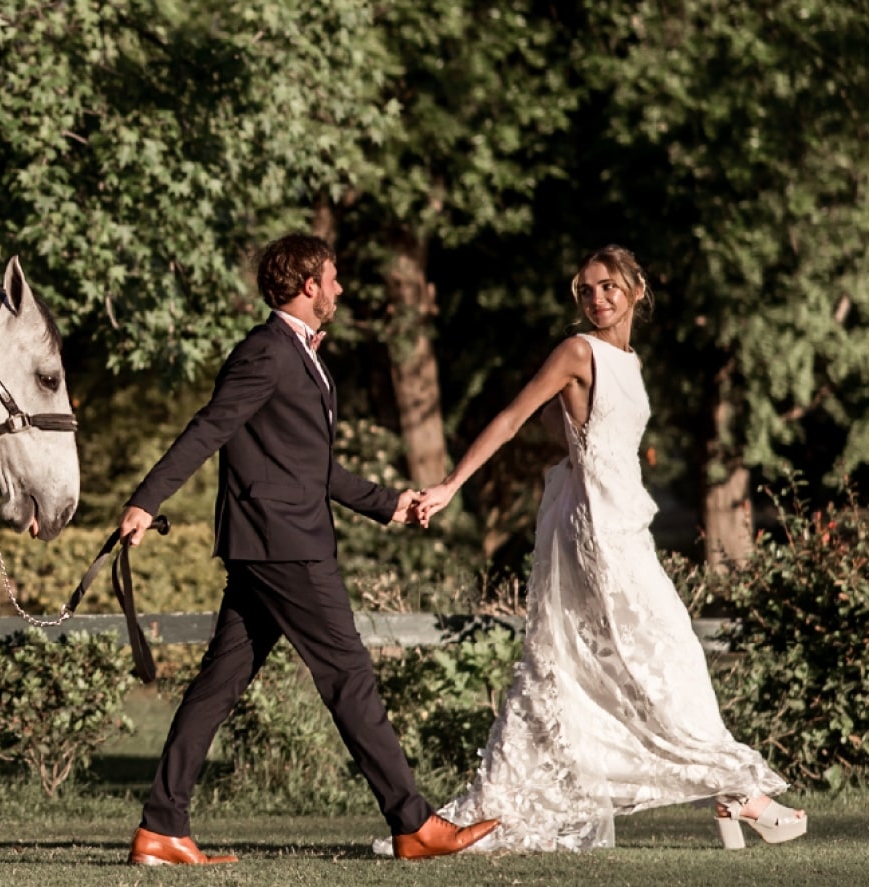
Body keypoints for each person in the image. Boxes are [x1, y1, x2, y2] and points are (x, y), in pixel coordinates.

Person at [374, 245, 806, 855]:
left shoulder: (627, 360)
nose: (595, 298)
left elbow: (576, 427)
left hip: (626, 521)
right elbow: (512, 417)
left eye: (606, 287)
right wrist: (449, 486)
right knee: (656, 655)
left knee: (648, 656)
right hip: (598, 532)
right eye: (584, 290)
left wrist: (578, 442)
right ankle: (738, 791)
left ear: (635, 289)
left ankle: (727, 790)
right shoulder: (579, 350)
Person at [119, 233, 500, 866]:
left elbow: (311, 466)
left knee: (219, 683)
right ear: (306, 286)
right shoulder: (265, 353)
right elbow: (209, 426)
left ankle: (161, 827)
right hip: (286, 547)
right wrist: (146, 499)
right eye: (332, 278)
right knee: (349, 677)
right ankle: (414, 825)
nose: (340, 288)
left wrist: (389, 503)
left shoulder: (298, 355)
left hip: (272, 543)